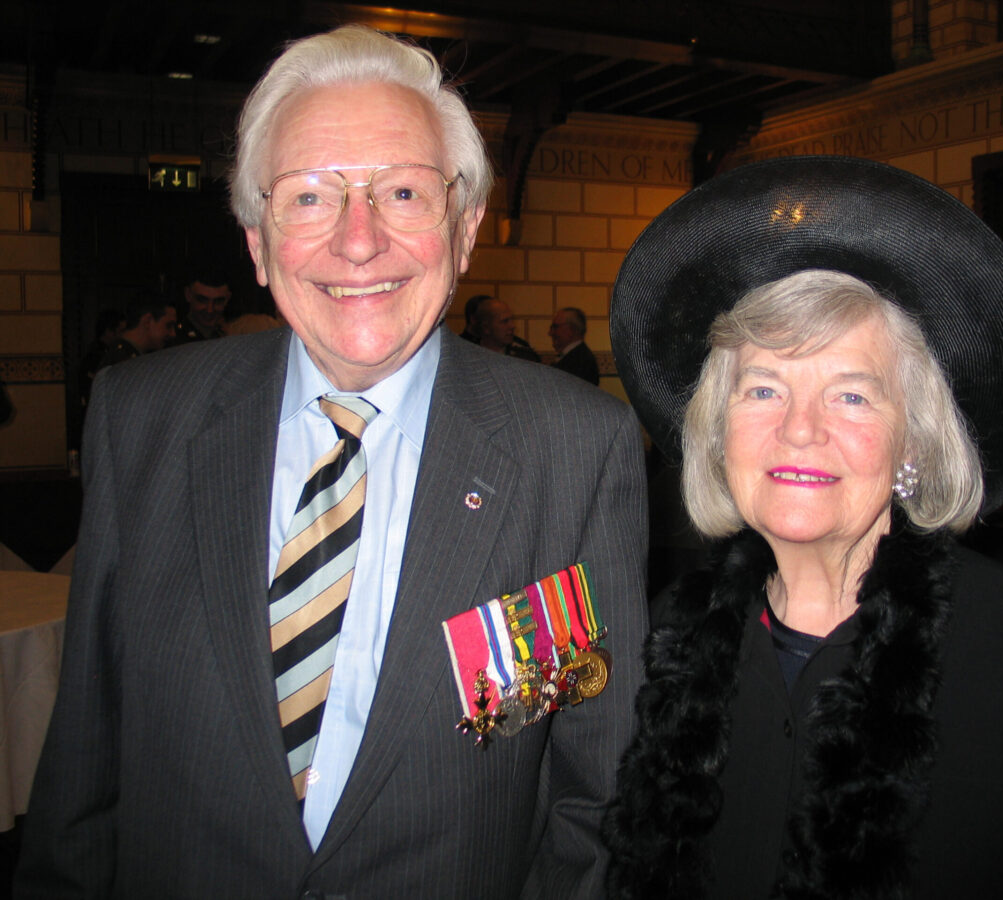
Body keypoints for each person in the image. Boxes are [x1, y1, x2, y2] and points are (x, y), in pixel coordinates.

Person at [17, 25, 647, 899]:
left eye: (401, 192)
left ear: (464, 232)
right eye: (310, 197)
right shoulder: (143, 419)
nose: (359, 241)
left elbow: (599, 797)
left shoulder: (573, 448)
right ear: (257, 242)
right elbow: (84, 762)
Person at [603, 157, 1003, 899]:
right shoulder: (660, 650)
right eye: (762, 389)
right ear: (718, 434)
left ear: (914, 442)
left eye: (851, 395)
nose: (799, 430)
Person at [97, 292, 177, 369]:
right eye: (169, 325)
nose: (173, 334)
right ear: (148, 321)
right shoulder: (124, 361)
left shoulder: (126, 354)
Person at [174, 266, 232, 343]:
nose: (210, 310)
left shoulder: (226, 334)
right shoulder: (175, 338)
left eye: (218, 301)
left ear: (227, 299)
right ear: (188, 295)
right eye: (202, 300)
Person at [476, 295, 542, 362]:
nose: (512, 326)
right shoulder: (470, 356)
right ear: (486, 327)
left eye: (512, 320)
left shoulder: (525, 357)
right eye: (505, 321)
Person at [550, 307, 600, 385]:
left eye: (555, 327)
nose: (550, 332)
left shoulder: (580, 361)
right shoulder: (580, 357)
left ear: (571, 330)